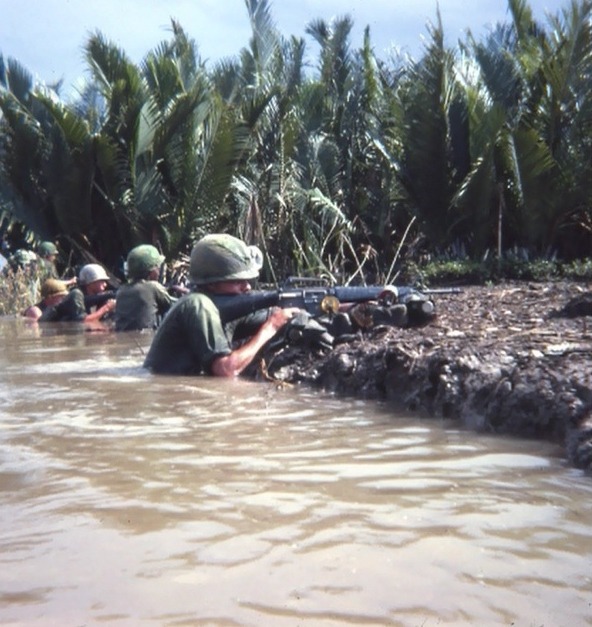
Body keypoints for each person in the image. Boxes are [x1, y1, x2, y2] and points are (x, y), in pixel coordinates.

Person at [143, 234, 300, 377]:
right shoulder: (199, 305)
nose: (247, 287)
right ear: (212, 284)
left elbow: (268, 315)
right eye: (237, 281)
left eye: (247, 281)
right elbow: (226, 370)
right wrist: (270, 327)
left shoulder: (215, 304)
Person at [114, 244, 176, 331]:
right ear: (151, 271)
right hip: (147, 340)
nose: (159, 270)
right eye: (157, 267)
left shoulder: (121, 291)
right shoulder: (153, 287)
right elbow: (176, 306)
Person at [39, 263, 115, 323]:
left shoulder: (89, 297)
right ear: (90, 282)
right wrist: (107, 307)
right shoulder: (76, 294)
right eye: (101, 281)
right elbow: (83, 322)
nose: (105, 284)